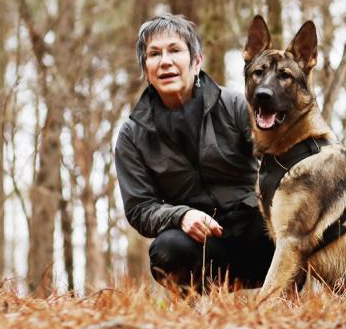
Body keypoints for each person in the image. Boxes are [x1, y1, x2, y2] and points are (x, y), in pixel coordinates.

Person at [114, 14, 275, 292]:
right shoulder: (132, 134)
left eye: (175, 50)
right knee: (166, 250)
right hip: (202, 243)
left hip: (255, 231)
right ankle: (199, 314)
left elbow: (278, 158)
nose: (165, 61)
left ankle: (284, 298)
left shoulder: (235, 105)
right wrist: (181, 215)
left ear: (197, 61)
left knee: (288, 225)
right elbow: (140, 208)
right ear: (146, 68)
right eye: (154, 54)